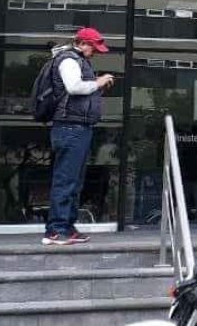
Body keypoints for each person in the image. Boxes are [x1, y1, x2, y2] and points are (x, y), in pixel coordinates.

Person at [43, 27, 116, 246]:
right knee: (66, 180)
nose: (95, 52)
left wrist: (96, 87)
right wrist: (98, 82)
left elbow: (78, 93)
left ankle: (67, 227)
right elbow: (74, 87)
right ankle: (56, 230)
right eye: (93, 48)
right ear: (82, 43)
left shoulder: (78, 60)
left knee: (74, 181)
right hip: (70, 128)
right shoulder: (68, 59)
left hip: (78, 128)